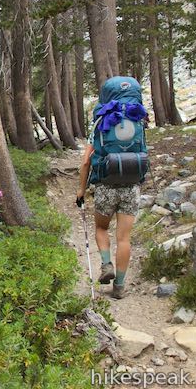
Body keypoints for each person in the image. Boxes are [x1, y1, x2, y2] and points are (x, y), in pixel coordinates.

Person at [75, 76, 147, 300]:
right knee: (124, 238)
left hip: (106, 185)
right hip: (131, 185)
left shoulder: (99, 123)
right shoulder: (138, 120)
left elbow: (86, 160)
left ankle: (106, 264)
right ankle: (120, 286)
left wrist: (81, 190)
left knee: (101, 228)